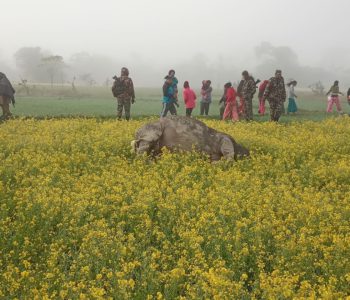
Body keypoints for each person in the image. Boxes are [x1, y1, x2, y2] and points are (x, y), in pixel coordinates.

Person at [132, 116, 249, 161]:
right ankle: (140, 158)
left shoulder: (217, 145)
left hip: (204, 149)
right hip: (171, 132)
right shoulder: (220, 138)